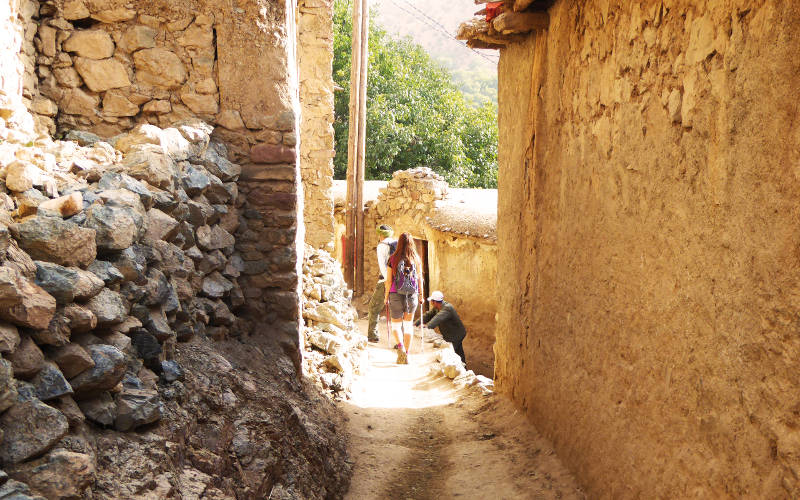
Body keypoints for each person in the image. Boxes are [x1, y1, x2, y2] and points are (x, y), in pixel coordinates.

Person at [384, 232, 424, 364]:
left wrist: (386, 297)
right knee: (408, 326)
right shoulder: (416, 259)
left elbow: (388, 281)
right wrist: (421, 296)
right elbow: (419, 278)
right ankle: (406, 354)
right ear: (411, 243)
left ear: (399, 243)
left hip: (395, 294)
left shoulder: (392, 259)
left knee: (396, 326)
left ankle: (400, 347)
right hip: (411, 295)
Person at [416, 290, 467, 364]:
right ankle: (464, 367)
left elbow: (437, 319)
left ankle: (459, 368)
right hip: (451, 335)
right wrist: (416, 323)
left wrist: (427, 326)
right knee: (458, 352)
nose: (431, 303)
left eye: (432, 301)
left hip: (456, 335)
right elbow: (427, 315)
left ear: (435, 302)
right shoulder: (437, 307)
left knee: (451, 353)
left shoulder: (447, 308)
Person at [366, 224, 397, 342]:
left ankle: (373, 336)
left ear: (380, 235)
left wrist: (386, 282)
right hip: (399, 281)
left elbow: (383, 266)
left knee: (374, 307)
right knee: (398, 311)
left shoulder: (382, 246)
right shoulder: (396, 243)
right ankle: (401, 342)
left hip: (386, 281)